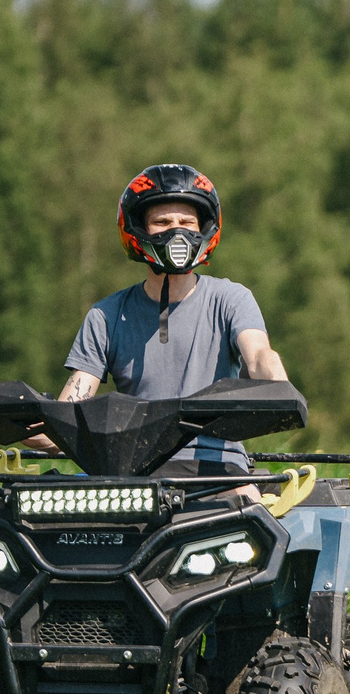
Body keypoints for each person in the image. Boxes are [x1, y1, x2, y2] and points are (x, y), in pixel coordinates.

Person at [51, 163, 289, 482]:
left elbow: (258, 354)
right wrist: (38, 424)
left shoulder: (231, 298)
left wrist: (278, 388)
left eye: (187, 221)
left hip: (216, 468)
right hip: (133, 470)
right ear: (138, 229)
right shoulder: (107, 315)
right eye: (162, 222)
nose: (177, 231)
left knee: (246, 507)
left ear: (204, 228)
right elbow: (72, 404)